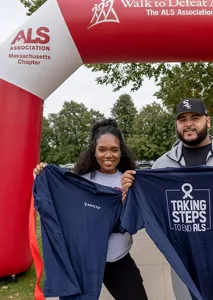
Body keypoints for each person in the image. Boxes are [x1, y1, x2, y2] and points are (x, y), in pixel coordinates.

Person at [121, 98, 213, 300]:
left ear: (207, 121)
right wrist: (132, 192)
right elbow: (151, 212)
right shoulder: (162, 165)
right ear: (176, 125)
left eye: (195, 117)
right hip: (184, 264)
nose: (188, 123)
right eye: (182, 119)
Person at [33, 118, 148, 300]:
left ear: (121, 152)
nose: (108, 155)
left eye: (114, 149)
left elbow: (137, 223)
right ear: (94, 151)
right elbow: (55, 203)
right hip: (82, 261)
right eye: (102, 149)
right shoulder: (80, 182)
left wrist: (129, 200)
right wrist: (43, 175)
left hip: (117, 259)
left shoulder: (130, 181)